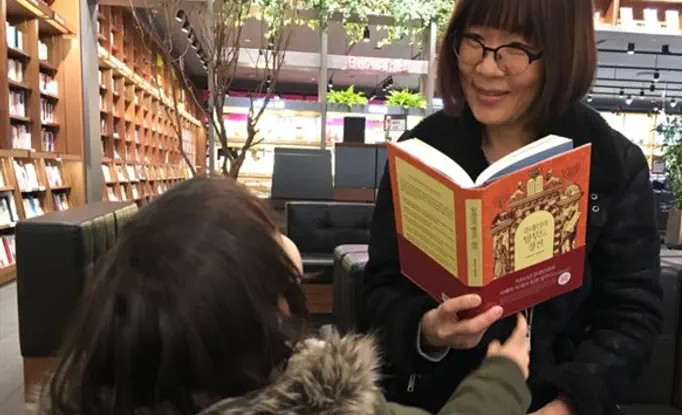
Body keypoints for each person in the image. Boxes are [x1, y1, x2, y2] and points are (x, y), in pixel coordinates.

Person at [360, 0, 664, 414]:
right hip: (435, 403)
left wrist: (567, 404)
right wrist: (427, 331)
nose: (486, 68)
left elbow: (632, 318)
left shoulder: (610, 164)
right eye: (475, 41)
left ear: (561, 53)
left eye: (516, 49)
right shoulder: (421, 153)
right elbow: (379, 291)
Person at [39, 176, 533, 415]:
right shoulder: (327, 402)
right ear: (255, 313)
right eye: (264, 239)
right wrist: (504, 376)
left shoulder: (116, 383)